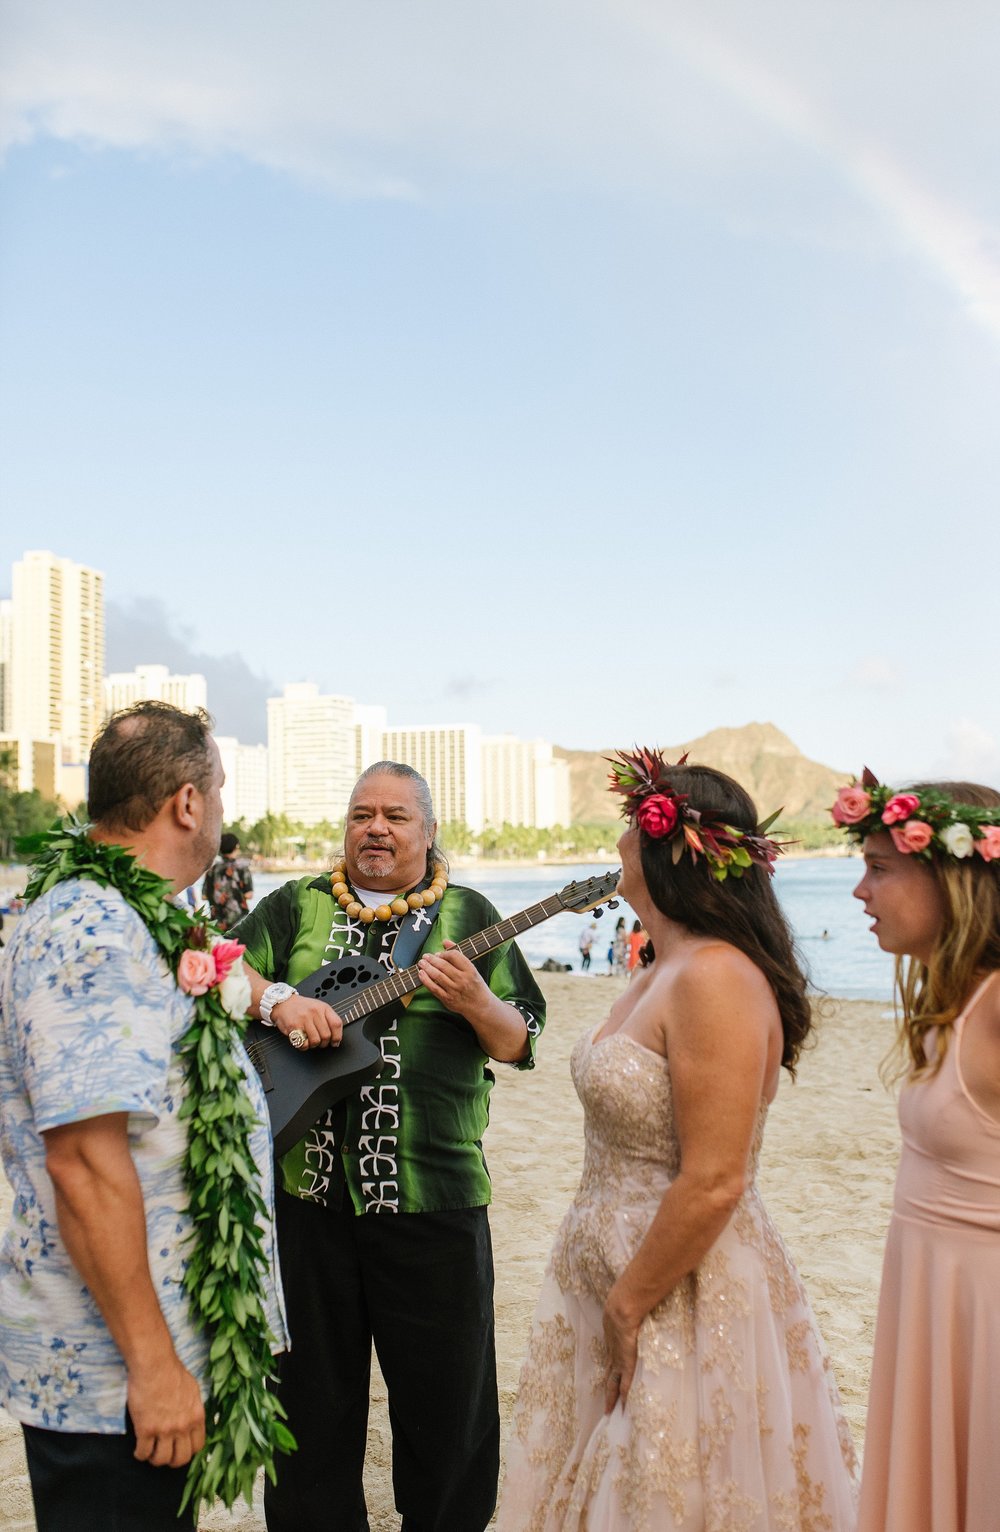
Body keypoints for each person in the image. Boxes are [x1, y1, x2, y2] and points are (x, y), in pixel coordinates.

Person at [498, 750, 858, 1531]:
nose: (619, 838)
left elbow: (716, 1179)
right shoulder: (664, 964)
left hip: (677, 1284)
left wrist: (631, 1303)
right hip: (608, 1269)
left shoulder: (715, 977)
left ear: (665, 843)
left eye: (633, 824)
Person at [234, 760, 545, 1532]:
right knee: (307, 1410)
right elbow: (216, 969)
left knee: (448, 1413)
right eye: (361, 813)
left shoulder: (471, 913)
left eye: (396, 816)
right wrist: (280, 1001)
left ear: (428, 831)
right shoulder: (293, 908)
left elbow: (519, 1040)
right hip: (308, 1203)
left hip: (435, 1201)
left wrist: (477, 1001)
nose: (376, 827)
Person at [0, 701, 287, 1532]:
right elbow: (84, 1165)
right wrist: (155, 1364)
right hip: (109, 1378)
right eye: (222, 792)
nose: (222, 812)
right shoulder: (91, 928)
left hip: (134, 1362)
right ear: (187, 804)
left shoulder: (133, 917)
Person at [832, 772, 1000, 1532]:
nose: (861, 893)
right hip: (930, 1294)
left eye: (879, 868)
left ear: (953, 876)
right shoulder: (951, 1002)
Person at [201, 830, 253, 930]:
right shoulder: (242, 868)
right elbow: (249, 895)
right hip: (239, 922)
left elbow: (204, 896)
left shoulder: (212, 870)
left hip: (216, 924)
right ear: (236, 847)